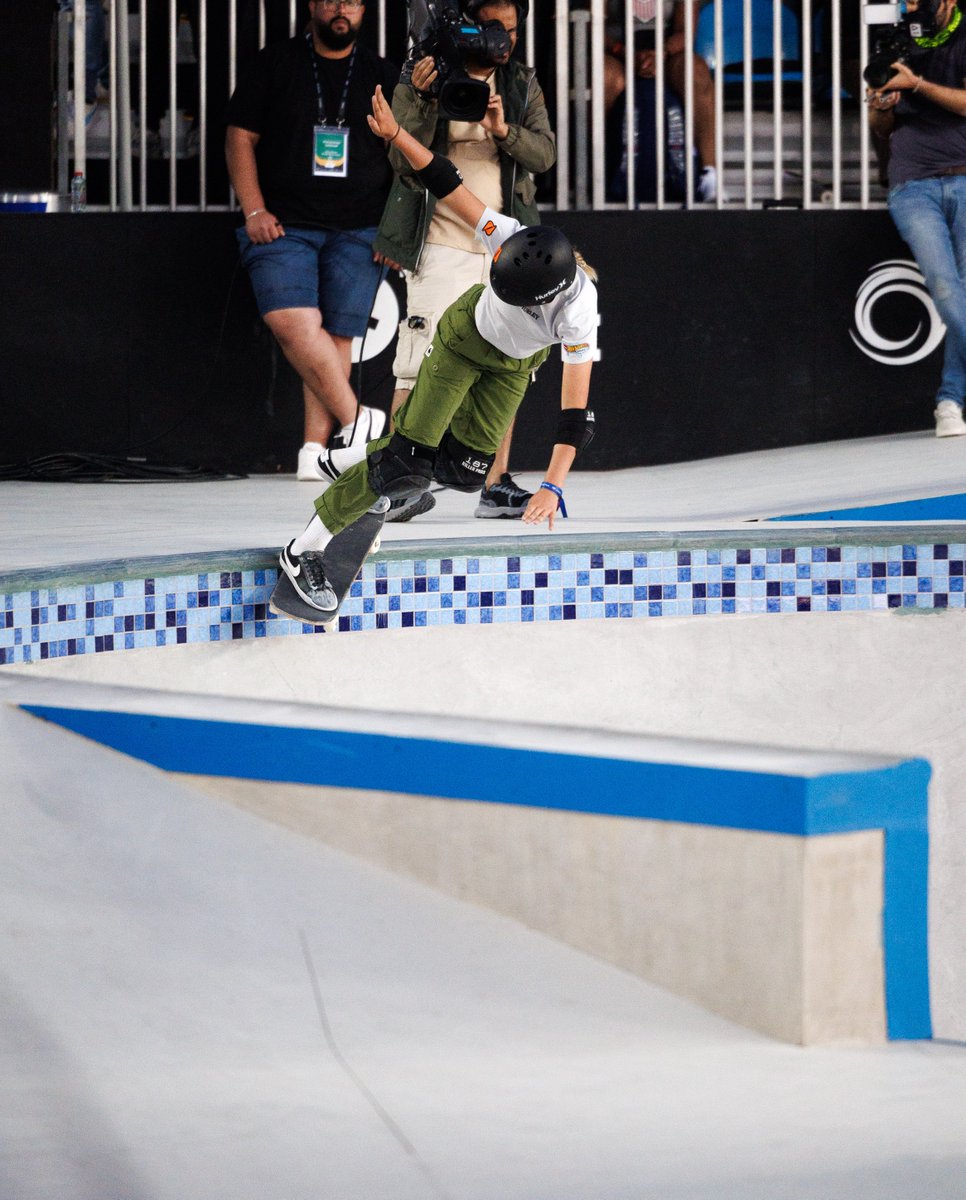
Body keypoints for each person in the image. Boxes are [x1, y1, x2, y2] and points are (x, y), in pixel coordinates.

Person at [276, 82, 598, 616]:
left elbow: (575, 414)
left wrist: (552, 488)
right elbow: (448, 183)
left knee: (468, 472)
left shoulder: (578, 312)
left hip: (514, 365)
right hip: (464, 340)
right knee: (404, 468)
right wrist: (399, 133)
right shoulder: (510, 234)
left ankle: (359, 456)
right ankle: (302, 547)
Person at [352, 0, 557, 523]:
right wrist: (422, 98)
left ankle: (495, 484)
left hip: (504, 243)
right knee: (418, 362)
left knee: (508, 361)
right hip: (438, 236)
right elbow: (400, 157)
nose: (503, 41)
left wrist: (503, 129)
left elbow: (545, 155)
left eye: (511, 31)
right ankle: (396, 485)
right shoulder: (423, 68)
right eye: (494, 29)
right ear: (470, 24)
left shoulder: (520, 82)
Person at [225, 0, 398, 480]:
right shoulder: (275, 62)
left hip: (361, 226)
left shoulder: (383, 73)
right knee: (292, 322)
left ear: (364, 10)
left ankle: (314, 453)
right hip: (283, 223)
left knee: (336, 336)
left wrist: (395, 229)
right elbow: (239, 137)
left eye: (352, 2)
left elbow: (403, 155)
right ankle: (359, 421)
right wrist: (254, 209)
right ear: (313, 6)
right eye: (331, 0)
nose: (341, 10)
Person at [867, 0, 966, 438]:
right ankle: (949, 401)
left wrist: (918, 84)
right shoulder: (895, 40)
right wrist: (881, 104)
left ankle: (949, 402)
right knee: (945, 287)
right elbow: (881, 127)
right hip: (912, 185)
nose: (913, 4)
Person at [605, 1, 724, 203]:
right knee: (604, 76)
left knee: (695, 72)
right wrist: (625, 53)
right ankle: (603, 173)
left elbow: (685, 31)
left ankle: (709, 176)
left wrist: (660, 54)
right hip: (618, 52)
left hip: (666, 53)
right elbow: (593, 25)